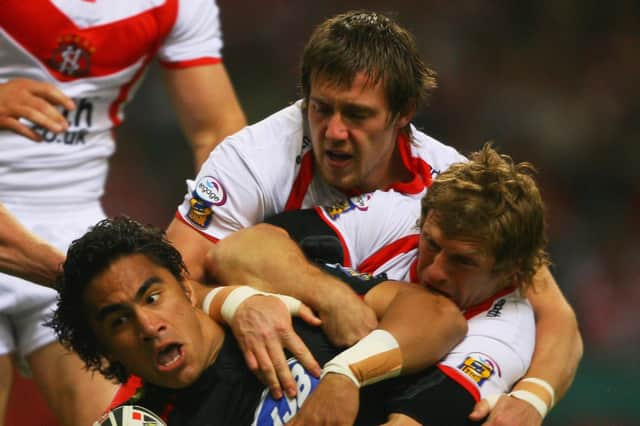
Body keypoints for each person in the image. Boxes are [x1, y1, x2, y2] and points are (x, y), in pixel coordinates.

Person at [165, 10, 582, 425]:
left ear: (404, 113)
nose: (334, 131)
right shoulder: (251, 161)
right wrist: (245, 303)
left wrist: (532, 396)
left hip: (382, 370)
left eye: (357, 114)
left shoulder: (451, 188)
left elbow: (555, 314)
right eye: (320, 108)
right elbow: (168, 285)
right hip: (250, 367)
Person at [0, 1, 246, 424]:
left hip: (74, 238)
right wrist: (100, 280)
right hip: (66, 260)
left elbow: (218, 135)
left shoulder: (176, 6)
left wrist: (179, 264)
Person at [206, 143, 553, 424]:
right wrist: (332, 298)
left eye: (464, 261)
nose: (433, 272)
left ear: (513, 272)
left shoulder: (503, 336)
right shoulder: (397, 216)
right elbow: (235, 252)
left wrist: (346, 375)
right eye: (431, 244)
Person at [49, 216, 466, 425]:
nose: (147, 325)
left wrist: (346, 375)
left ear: (185, 285)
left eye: (153, 297)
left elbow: (440, 317)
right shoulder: (145, 420)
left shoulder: (285, 304)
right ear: (104, 348)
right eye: (119, 321)